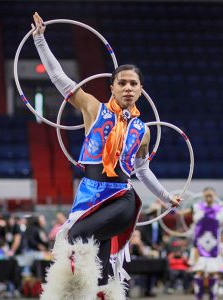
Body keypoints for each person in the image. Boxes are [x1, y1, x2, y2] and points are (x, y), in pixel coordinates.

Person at [31, 12, 180, 300]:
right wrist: (39, 38)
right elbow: (58, 77)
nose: (127, 87)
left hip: (120, 198)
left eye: (133, 83)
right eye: (121, 82)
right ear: (111, 86)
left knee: (75, 238)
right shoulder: (93, 109)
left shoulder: (143, 132)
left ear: (140, 90)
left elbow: (143, 171)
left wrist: (165, 198)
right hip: (88, 195)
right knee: (97, 273)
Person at [182, 188, 223, 300]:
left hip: (213, 246)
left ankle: (213, 297)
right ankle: (199, 297)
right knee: (199, 272)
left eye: (211, 195)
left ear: (215, 196)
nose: (209, 197)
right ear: (203, 195)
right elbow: (181, 213)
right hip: (199, 245)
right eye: (207, 195)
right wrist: (169, 209)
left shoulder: (221, 210)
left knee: (213, 272)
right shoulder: (197, 207)